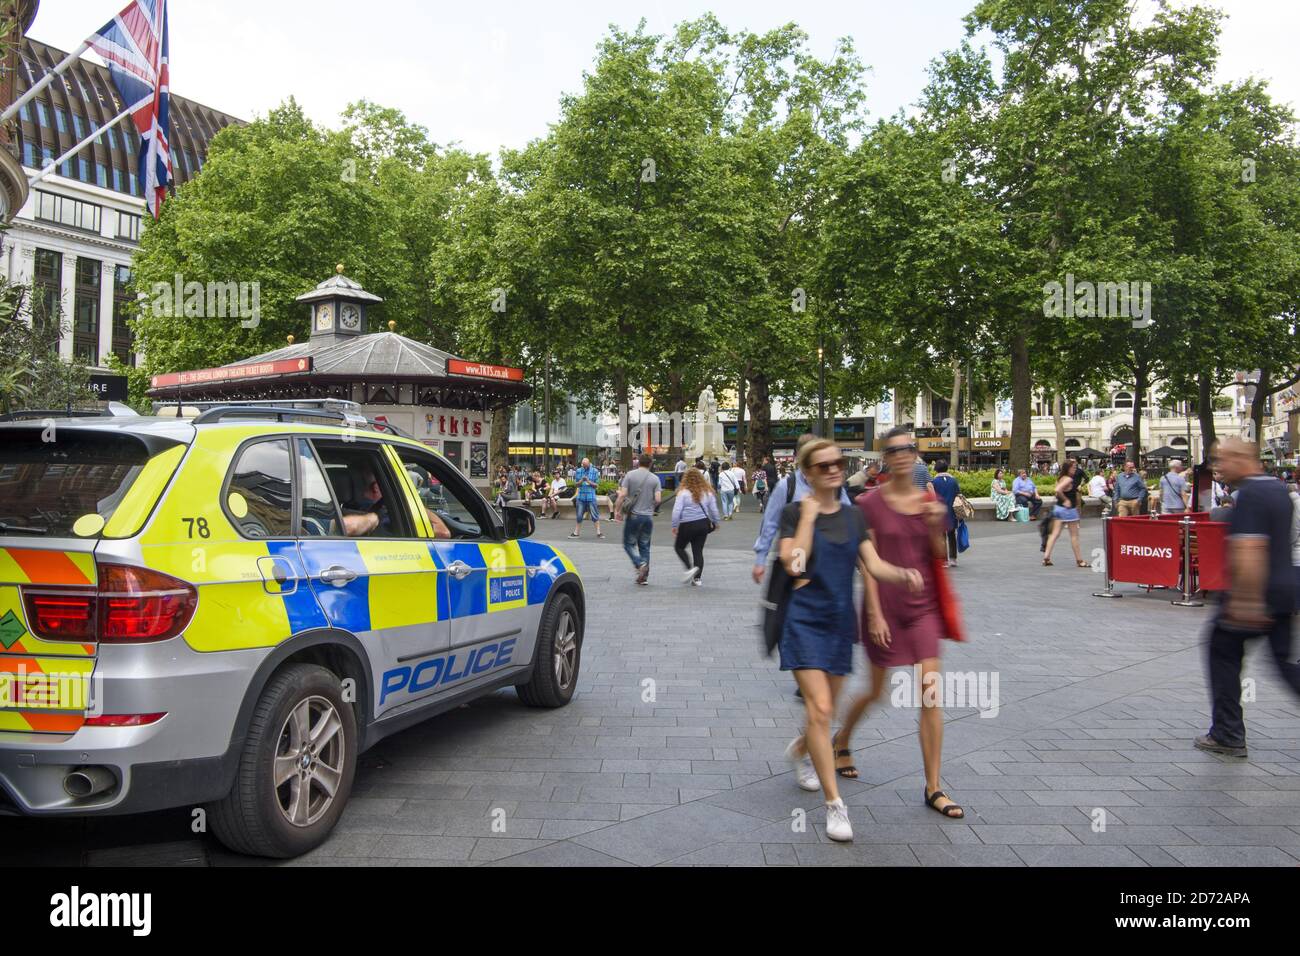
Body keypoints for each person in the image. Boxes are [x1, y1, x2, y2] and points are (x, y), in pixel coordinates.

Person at [778, 437, 922, 842]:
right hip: (803, 621)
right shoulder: (793, 513)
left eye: (837, 463)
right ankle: (834, 805)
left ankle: (803, 749)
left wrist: (903, 575)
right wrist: (807, 517)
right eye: (822, 466)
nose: (832, 470)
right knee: (822, 709)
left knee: (825, 715)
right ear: (807, 474)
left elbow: (872, 563)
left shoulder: (853, 515)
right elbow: (794, 565)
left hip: (840, 624)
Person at [833, 427, 965, 821]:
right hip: (885, 607)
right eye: (893, 450)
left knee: (929, 693)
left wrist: (934, 523)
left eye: (908, 448)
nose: (902, 455)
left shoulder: (929, 500)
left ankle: (934, 786)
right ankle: (841, 739)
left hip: (922, 608)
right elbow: (867, 563)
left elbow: (938, 554)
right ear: (885, 458)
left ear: (916, 453)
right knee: (876, 692)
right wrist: (872, 612)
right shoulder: (869, 503)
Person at [1197, 438, 1300, 757]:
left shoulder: (1251, 494)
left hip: (1255, 595)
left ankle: (1228, 733)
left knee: (1222, 652)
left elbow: (1250, 547)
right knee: (1284, 664)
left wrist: (1246, 602)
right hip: (1284, 591)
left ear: (1242, 459)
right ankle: (1226, 732)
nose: (1218, 467)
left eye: (1222, 460)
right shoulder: (1278, 490)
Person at [752, 432, 852, 585]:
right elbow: (770, 523)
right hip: (799, 562)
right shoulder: (787, 486)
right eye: (822, 464)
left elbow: (849, 524)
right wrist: (760, 559)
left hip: (830, 561)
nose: (831, 470)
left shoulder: (836, 488)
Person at [615, 454, 660, 585]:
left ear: (638, 462)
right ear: (650, 464)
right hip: (647, 517)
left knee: (628, 544)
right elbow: (658, 500)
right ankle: (644, 577)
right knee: (645, 546)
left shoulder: (630, 475)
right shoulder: (655, 479)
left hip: (633, 515)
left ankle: (640, 564)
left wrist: (618, 511)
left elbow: (622, 495)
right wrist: (650, 507)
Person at [671, 467, 719, 586]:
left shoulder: (682, 493)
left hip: (687, 524)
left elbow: (677, 511)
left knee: (679, 547)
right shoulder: (708, 492)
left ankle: (689, 569)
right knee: (698, 551)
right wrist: (716, 522)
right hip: (702, 524)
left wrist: (674, 525)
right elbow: (713, 509)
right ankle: (697, 579)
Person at [1043, 459, 1087, 567]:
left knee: (1055, 534)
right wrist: (1066, 500)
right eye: (1073, 467)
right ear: (1068, 468)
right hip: (1068, 510)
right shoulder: (1068, 479)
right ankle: (1079, 560)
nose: (1075, 469)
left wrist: (1062, 499)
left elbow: (1057, 488)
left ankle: (1046, 557)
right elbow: (1058, 490)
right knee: (1074, 536)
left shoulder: (1061, 478)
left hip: (1058, 508)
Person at [931, 459, 960, 567]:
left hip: (940, 512)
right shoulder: (954, 481)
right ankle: (953, 559)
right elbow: (958, 494)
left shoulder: (934, 482)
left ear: (936, 469)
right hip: (952, 512)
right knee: (952, 535)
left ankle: (944, 560)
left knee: (941, 536)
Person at [569, 457, 603, 539]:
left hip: (591, 497)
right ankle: (576, 533)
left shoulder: (595, 471)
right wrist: (581, 480)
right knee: (579, 515)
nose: (584, 467)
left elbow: (596, 485)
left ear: (589, 463)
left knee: (595, 515)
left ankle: (599, 533)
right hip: (581, 497)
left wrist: (588, 481)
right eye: (583, 465)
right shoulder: (578, 471)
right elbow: (576, 484)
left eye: (586, 465)